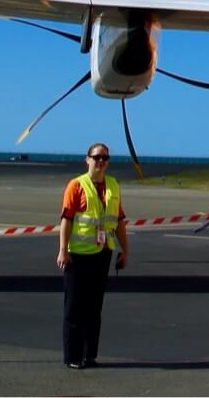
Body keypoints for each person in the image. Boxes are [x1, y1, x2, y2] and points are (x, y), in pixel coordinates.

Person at [56, 141, 128, 369]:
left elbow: (118, 221)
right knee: (74, 308)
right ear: (87, 159)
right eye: (96, 157)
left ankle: (90, 354)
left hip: (103, 253)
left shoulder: (114, 186)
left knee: (94, 308)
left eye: (105, 158)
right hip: (77, 255)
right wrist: (63, 250)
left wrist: (125, 249)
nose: (101, 161)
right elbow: (66, 220)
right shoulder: (76, 185)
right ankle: (73, 357)